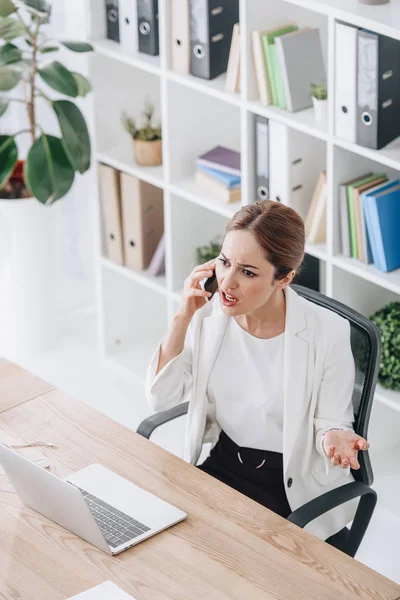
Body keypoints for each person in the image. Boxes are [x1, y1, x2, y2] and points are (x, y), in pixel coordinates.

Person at [145, 200, 370, 541]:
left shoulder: (329, 333)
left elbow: (331, 421)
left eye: (247, 272)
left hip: (289, 487)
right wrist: (182, 317)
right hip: (223, 464)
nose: (227, 283)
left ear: (285, 278)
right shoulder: (208, 317)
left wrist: (333, 439)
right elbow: (161, 399)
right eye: (224, 262)